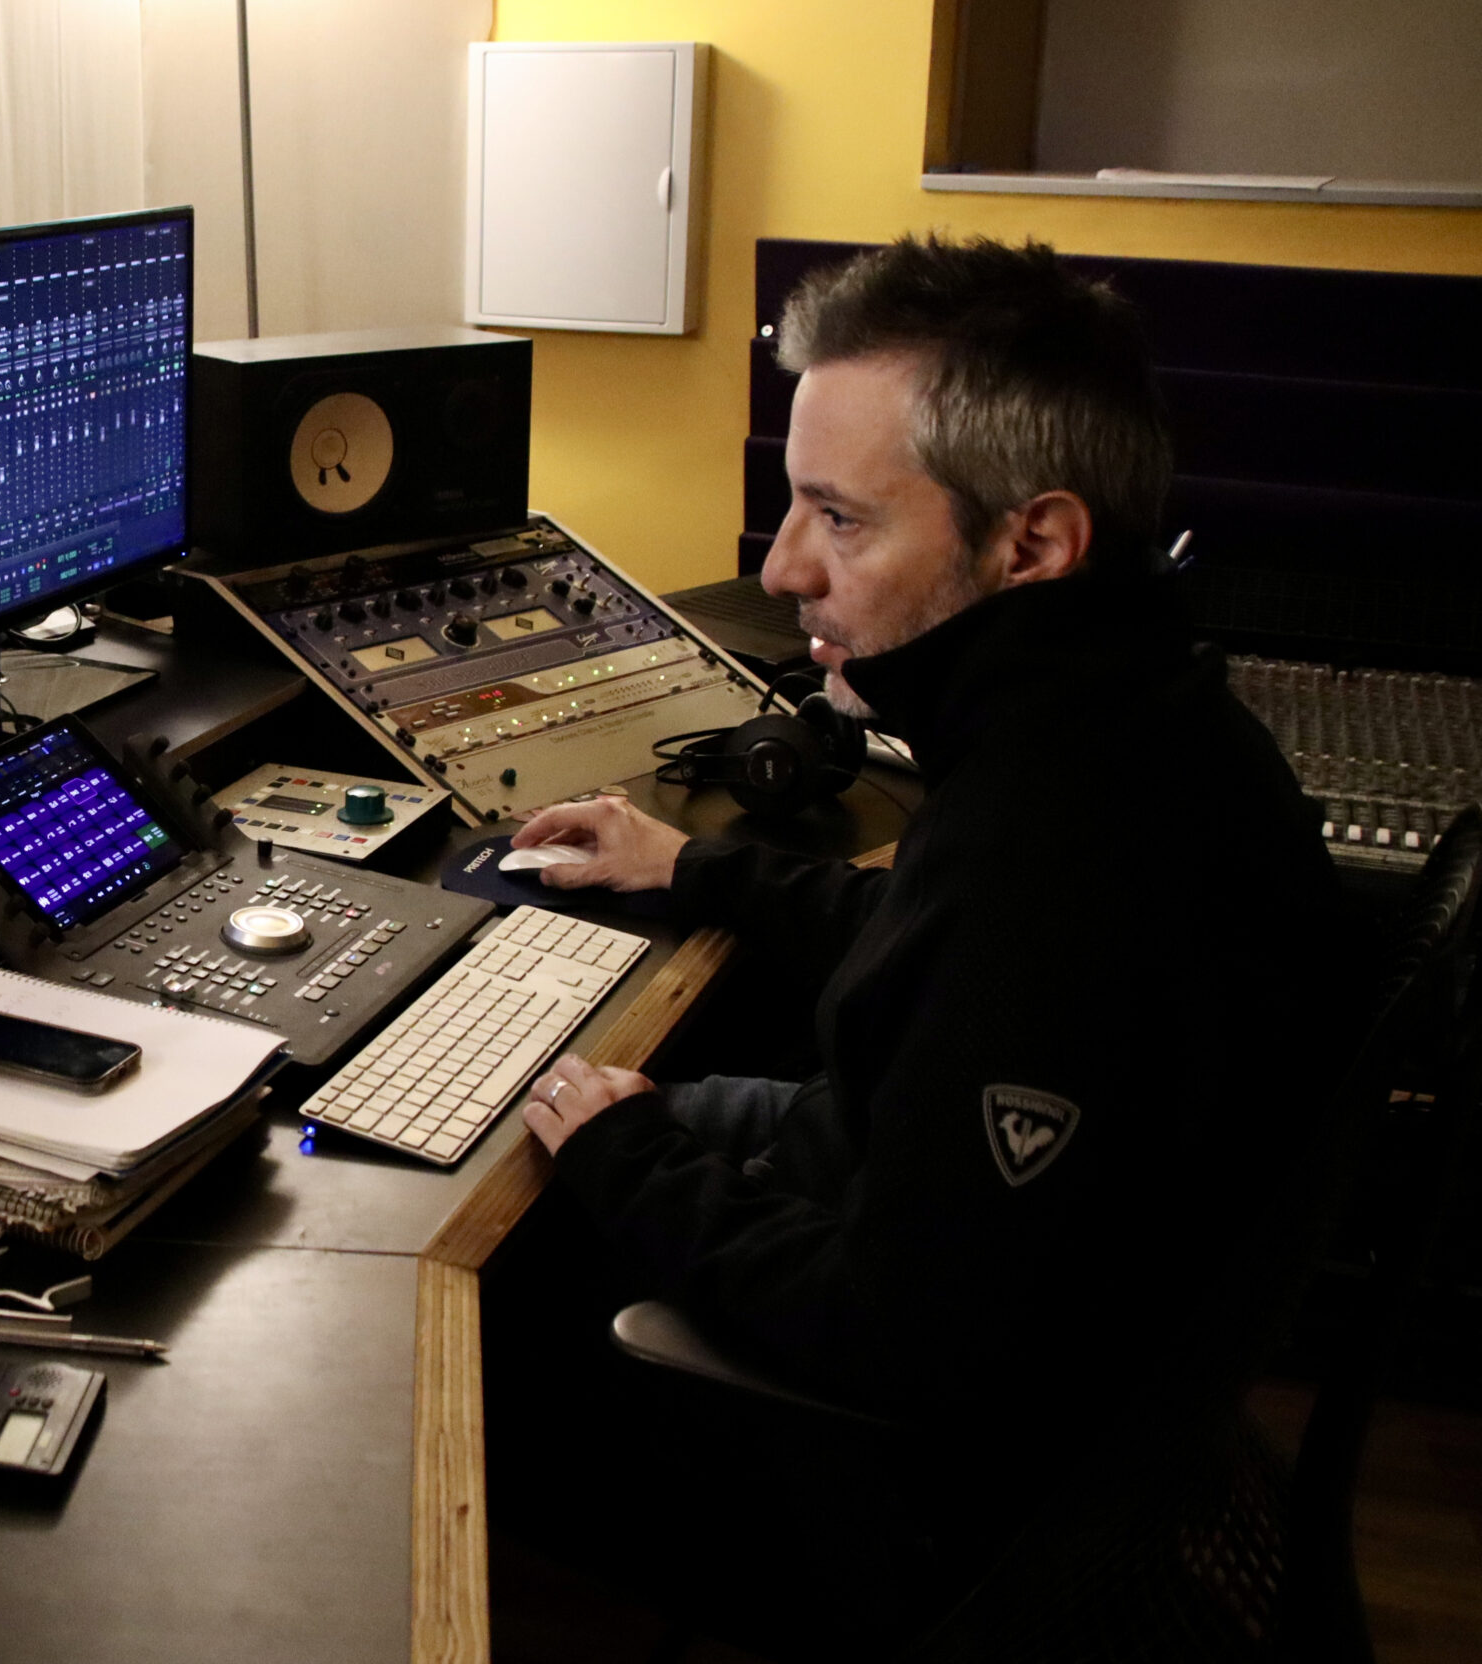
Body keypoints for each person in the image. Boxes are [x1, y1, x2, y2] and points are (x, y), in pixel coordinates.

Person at [497, 235, 1358, 1644]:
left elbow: (895, 1337)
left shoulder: (1063, 850)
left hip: (926, 1464)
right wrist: (692, 866)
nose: (784, 568)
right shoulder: (1122, 721)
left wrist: (627, 1155)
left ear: (1033, 545)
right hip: (986, 1261)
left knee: (475, 1285)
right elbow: (942, 948)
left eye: (840, 519)